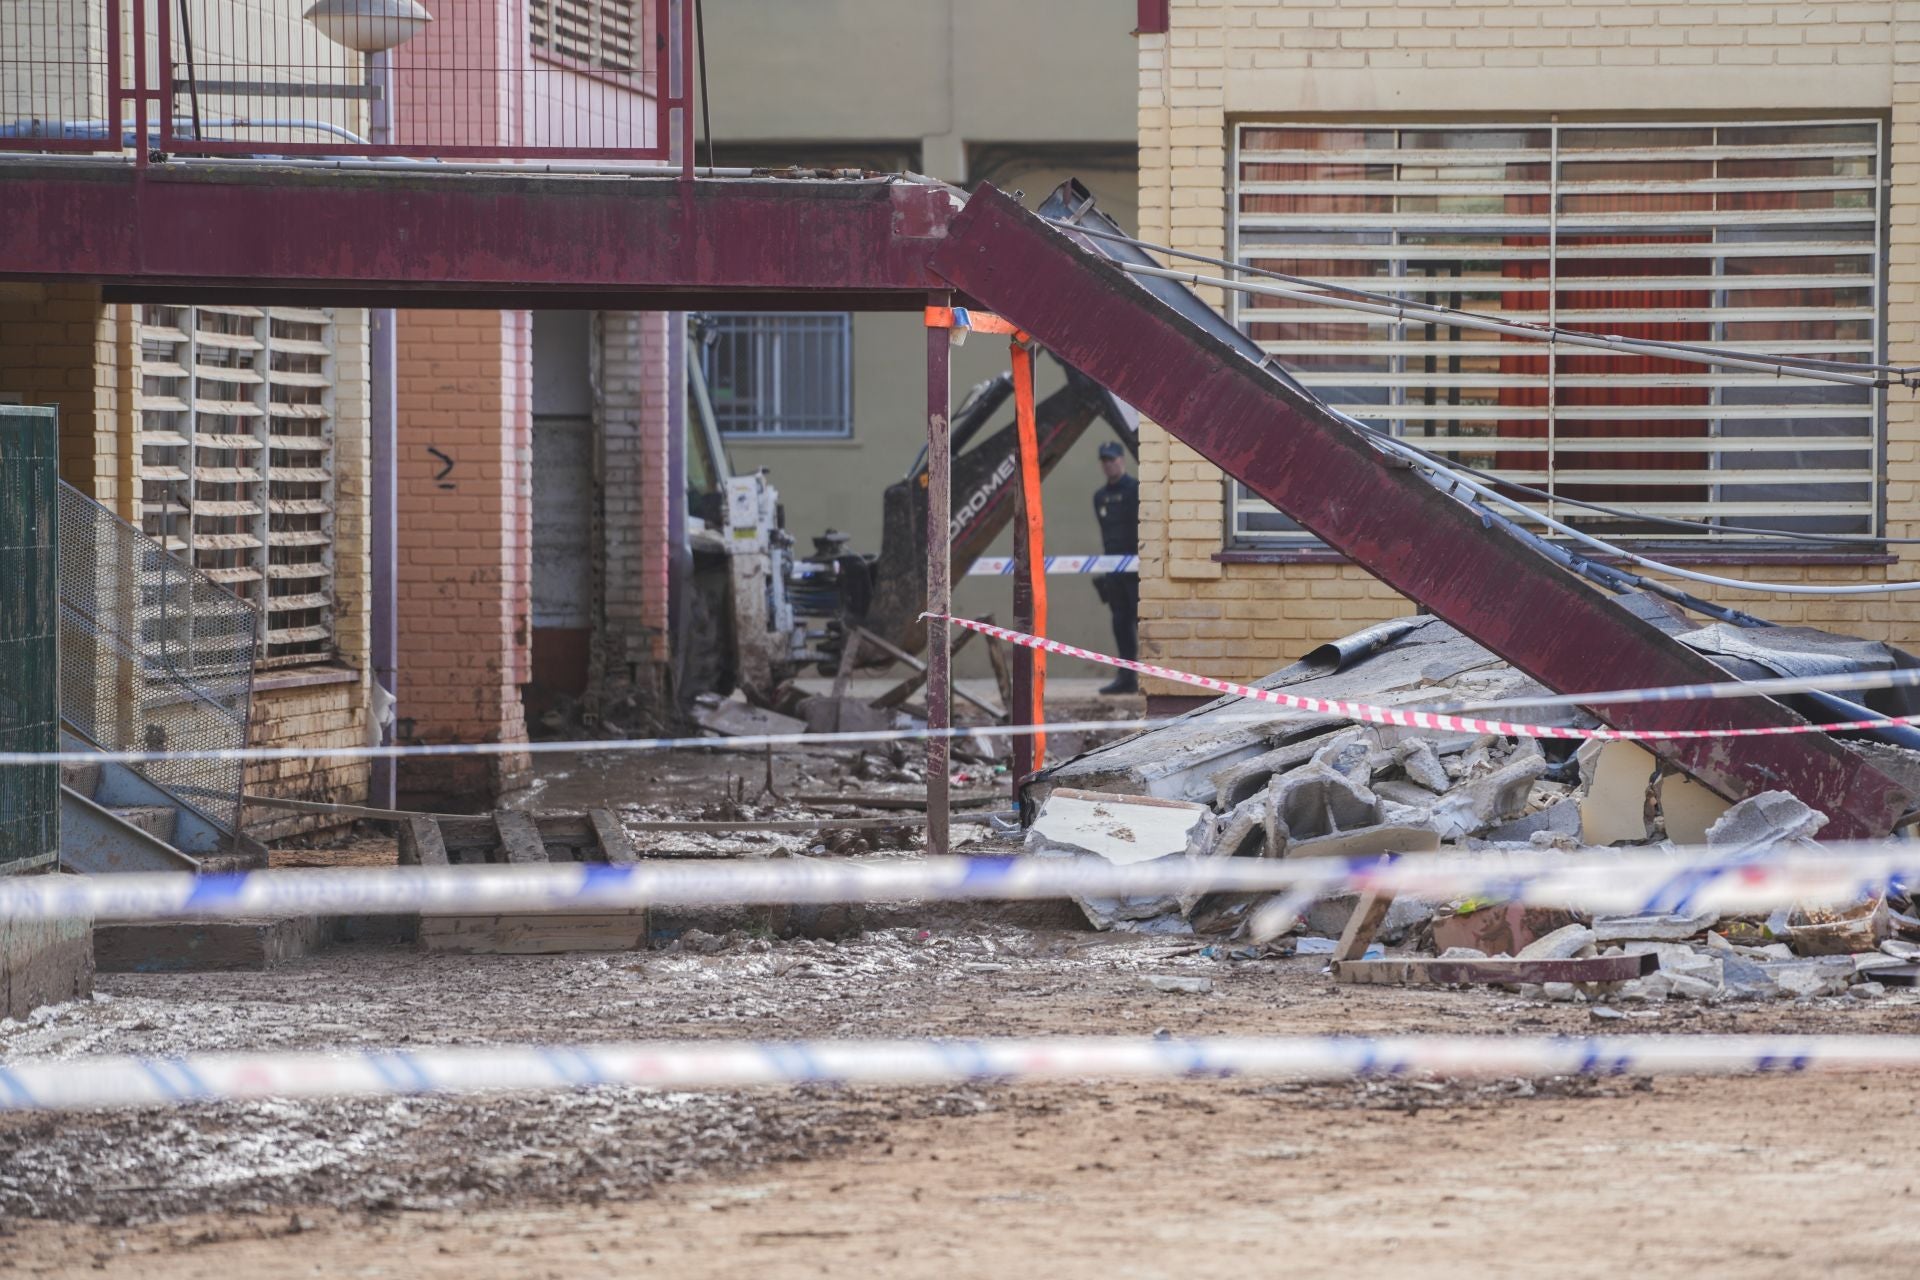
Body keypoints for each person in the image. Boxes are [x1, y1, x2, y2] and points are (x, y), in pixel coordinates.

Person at [1092, 440, 1139, 695]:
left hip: (1135, 570)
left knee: (1142, 623)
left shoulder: (1135, 490)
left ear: (1122, 460)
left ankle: (1157, 674)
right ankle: (1127, 677)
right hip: (1114, 571)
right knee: (1120, 624)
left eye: (1113, 459)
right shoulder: (1100, 497)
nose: (1109, 465)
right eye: (1105, 461)